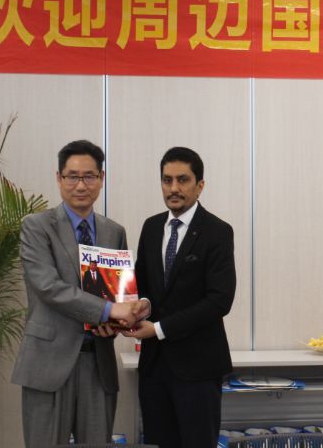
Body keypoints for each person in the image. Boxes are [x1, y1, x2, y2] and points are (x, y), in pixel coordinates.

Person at [12, 140, 148, 448]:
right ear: (58, 178)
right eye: (72, 176)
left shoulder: (114, 231)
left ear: (101, 178)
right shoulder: (36, 226)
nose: (81, 185)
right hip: (48, 362)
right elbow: (48, 287)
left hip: (98, 362)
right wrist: (108, 311)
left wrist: (116, 323)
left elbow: (119, 294)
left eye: (89, 176)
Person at [122, 146, 236, 448]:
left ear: (200, 186)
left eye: (182, 180)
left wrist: (159, 329)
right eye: (167, 180)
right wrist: (142, 305)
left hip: (198, 369)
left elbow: (219, 300)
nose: (173, 188)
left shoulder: (218, 232)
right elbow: (143, 285)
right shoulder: (151, 227)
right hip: (154, 368)